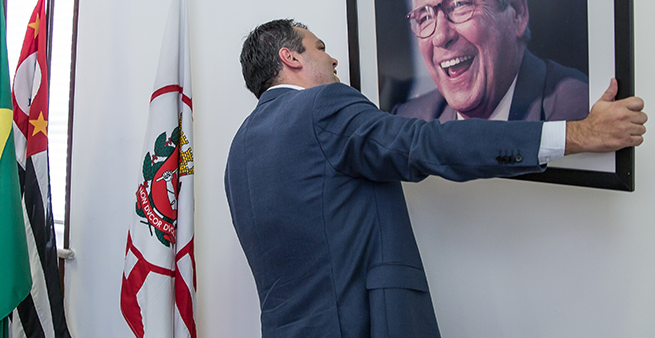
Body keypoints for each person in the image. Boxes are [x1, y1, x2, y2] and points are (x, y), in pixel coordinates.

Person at [224, 19, 646, 337]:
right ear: (290, 58)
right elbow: (428, 143)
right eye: (320, 47)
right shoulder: (323, 106)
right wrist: (577, 134)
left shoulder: (238, 149)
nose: (333, 58)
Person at [393, 0, 588, 122]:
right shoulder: (408, 123)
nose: (441, 36)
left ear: (516, 9)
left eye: (459, 4)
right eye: (425, 18)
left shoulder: (577, 112)